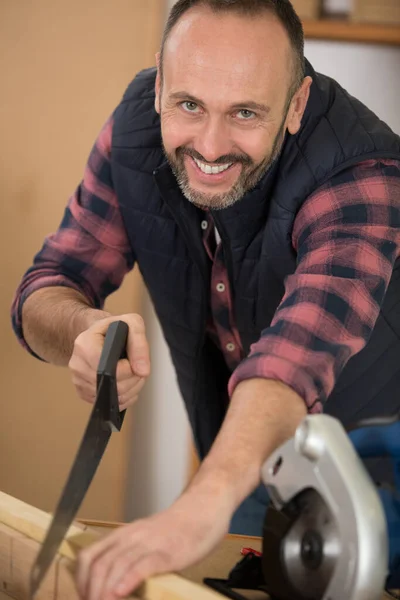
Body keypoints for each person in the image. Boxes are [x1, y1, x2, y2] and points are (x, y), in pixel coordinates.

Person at [11, 0, 400, 598]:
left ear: (296, 104)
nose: (211, 146)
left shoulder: (361, 171)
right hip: (257, 464)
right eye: (189, 104)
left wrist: (195, 510)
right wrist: (81, 328)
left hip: (383, 467)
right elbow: (48, 284)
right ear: (162, 85)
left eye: (245, 112)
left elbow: (293, 358)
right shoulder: (136, 129)